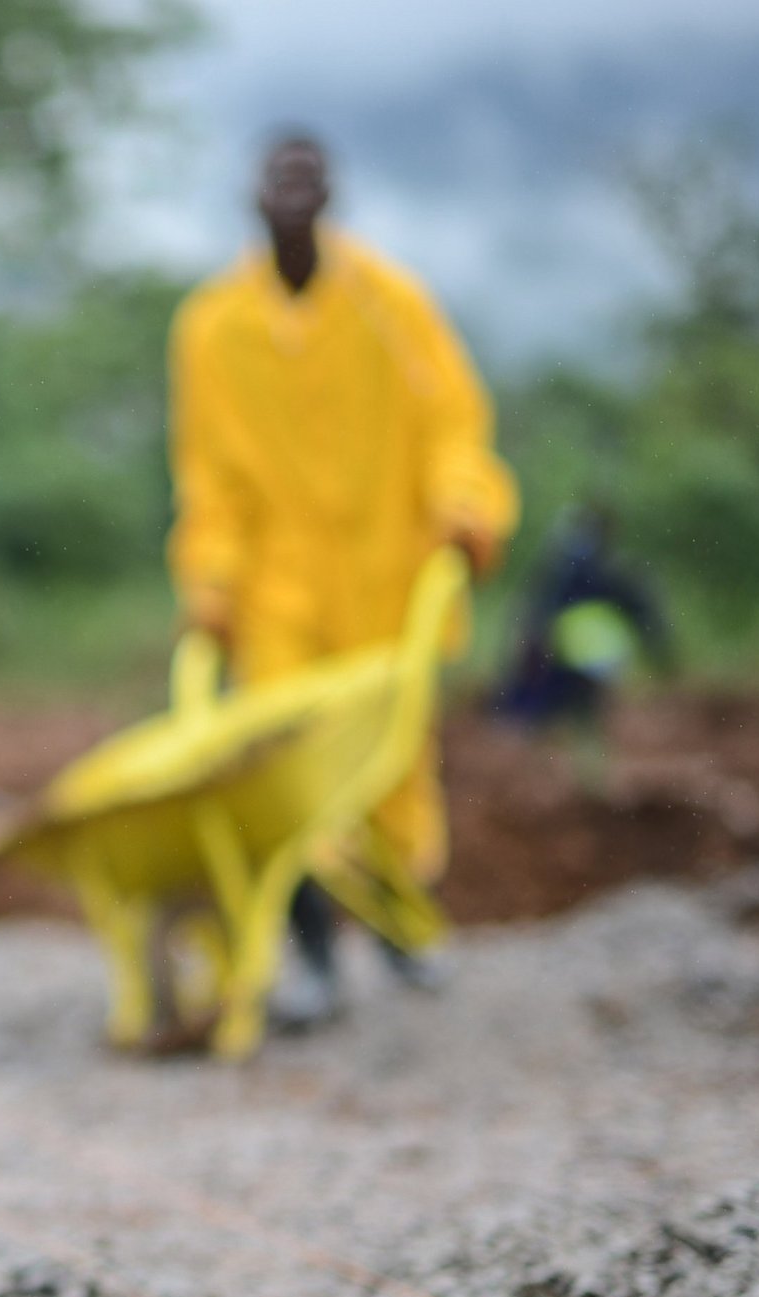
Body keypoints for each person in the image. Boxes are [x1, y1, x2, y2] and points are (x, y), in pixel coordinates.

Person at [166, 131, 519, 1022]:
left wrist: (464, 508)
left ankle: (400, 925)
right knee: (285, 771)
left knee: (388, 769)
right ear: (252, 197)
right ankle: (316, 962)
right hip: (277, 589)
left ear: (330, 195)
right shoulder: (213, 326)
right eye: (276, 174)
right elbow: (209, 474)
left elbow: (451, 424)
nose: (291, 188)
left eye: (307, 174)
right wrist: (211, 577)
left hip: (386, 578)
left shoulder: (393, 305)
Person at [492, 503, 673, 784]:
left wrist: (528, 646)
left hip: (562, 657)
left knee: (544, 717)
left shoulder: (565, 563)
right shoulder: (605, 566)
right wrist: (661, 651)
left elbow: (537, 611)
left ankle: (549, 783)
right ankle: (582, 782)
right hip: (589, 662)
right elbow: (642, 608)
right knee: (581, 721)